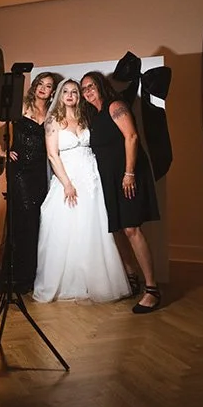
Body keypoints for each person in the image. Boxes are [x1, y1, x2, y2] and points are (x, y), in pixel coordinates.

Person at [33, 79, 130, 303]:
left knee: (92, 228)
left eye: (74, 92)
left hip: (91, 179)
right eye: (65, 91)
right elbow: (52, 155)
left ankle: (95, 282)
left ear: (78, 96)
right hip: (68, 179)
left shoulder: (87, 118)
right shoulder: (53, 121)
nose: (70, 95)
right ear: (59, 95)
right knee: (65, 228)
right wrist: (66, 183)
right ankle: (67, 282)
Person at [80, 71, 161, 314]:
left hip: (127, 175)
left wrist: (129, 173)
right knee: (116, 229)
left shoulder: (115, 106)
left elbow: (132, 137)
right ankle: (131, 276)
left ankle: (152, 289)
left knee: (131, 228)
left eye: (91, 86)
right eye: (84, 89)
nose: (87, 91)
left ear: (101, 86)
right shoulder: (93, 116)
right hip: (108, 179)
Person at [0, 72, 57, 295]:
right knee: (22, 217)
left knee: (36, 219)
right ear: (35, 86)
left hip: (40, 171)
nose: (44, 88)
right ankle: (16, 275)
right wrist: (1, 151)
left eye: (49, 86)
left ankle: (32, 273)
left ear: (53, 91)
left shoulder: (52, 112)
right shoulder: (22, 106)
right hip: (20, 170)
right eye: (41, 84)